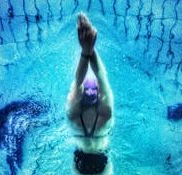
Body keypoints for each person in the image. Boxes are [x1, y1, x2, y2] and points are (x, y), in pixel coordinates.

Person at [66, 12, 114, 175]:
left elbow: (78, 81)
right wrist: (89, 50)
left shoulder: (73, 115)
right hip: (101, 160)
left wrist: (87, 51)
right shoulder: (105, 114)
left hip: (79, 161)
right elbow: (101, 76)